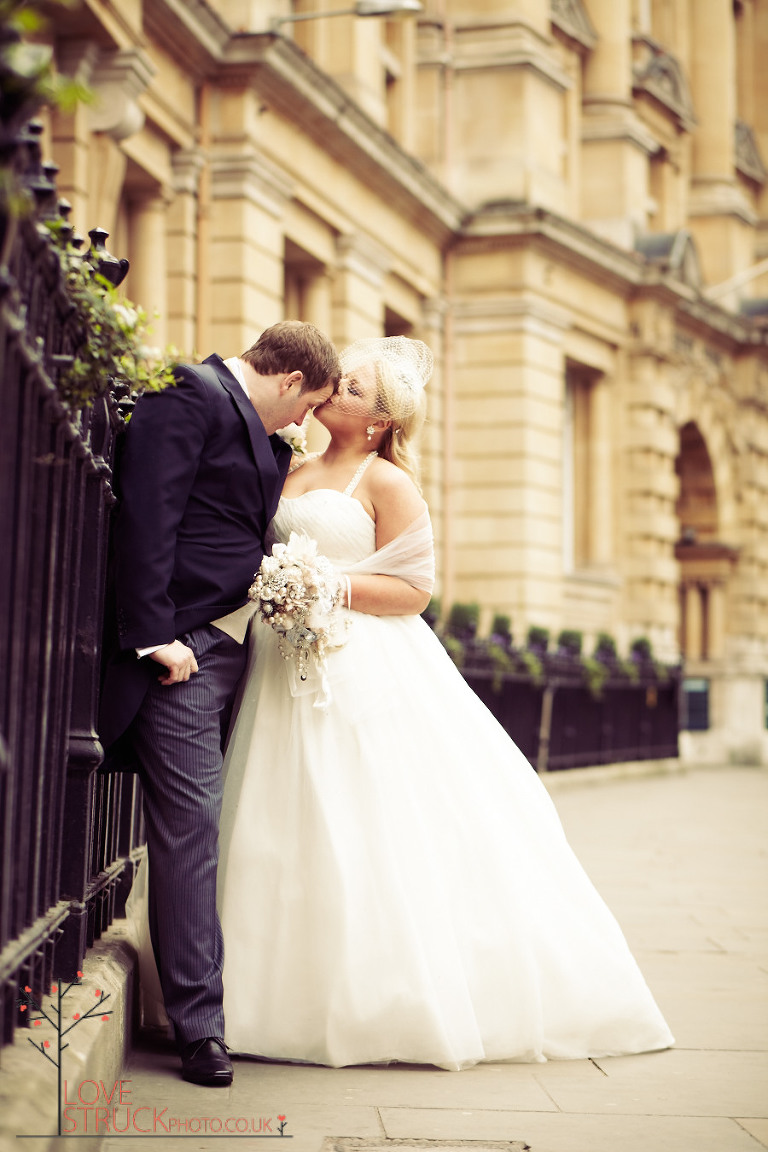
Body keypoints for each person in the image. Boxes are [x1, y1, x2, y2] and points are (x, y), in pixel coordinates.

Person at [215, 336, 674, 1070]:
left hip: (354, 661)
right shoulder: (289, 466)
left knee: (355, 818)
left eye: (354, 390)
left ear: (379, 421)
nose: (335, 390)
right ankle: (259, 990)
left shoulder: (386, 481)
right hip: (278, 662)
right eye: (340, 382)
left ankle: (377, 998)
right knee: (274, 818)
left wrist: (324, 587)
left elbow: (415, 590)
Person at [99, 321, 340, 1087]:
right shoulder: (186, 394)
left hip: (242, 654)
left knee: (227, 821)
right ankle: (200, 1027)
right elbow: (146, 517)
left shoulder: (260, 429)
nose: (301, 428)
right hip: (187, 656)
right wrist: (153, 636)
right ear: (290, 380)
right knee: (192, 828)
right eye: (307, 408)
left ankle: (207, 1007)